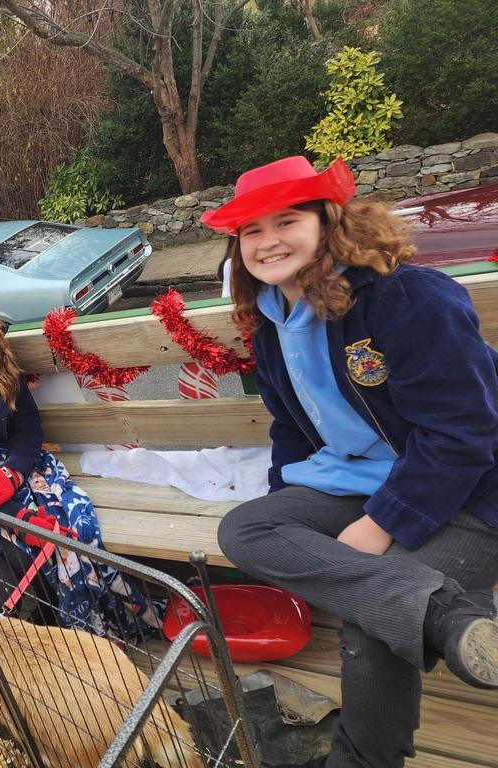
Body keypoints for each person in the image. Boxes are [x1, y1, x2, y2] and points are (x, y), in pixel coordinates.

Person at [203, 156, 498, 768]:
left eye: (285, 221)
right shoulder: (270, 322)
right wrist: (289, 510)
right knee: (246, 528)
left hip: (474, 488)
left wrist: (380, 524)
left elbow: (464, 433)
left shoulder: (406, 296)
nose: (266, 242)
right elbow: (291, 428)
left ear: (326, 222)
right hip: (360, 476)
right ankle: (444, 613)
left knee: (375, 622)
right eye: (250, 231)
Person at [0, 251, 162, 635]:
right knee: (51, 540)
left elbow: (26, 421)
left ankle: (106, 625)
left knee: (79, 530)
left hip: (12, 469)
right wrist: (16, 514)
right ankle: (74, 632)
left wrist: (14, 471)